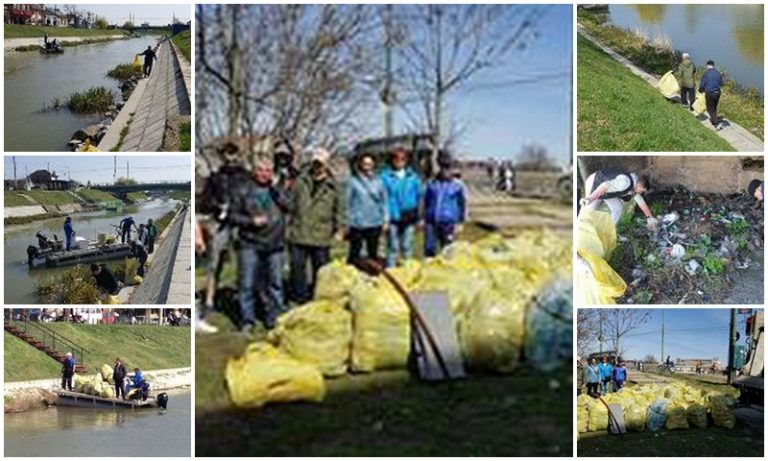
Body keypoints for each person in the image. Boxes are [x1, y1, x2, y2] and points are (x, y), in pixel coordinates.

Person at [229, 158, 290, 333]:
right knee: (246, 284)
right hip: (250, 243)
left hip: (275, 243)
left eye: (268, 170)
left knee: (276, 284)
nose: (265, 173)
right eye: (261, 170)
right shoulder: (242, 189)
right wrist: (251, 221)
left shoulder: (276, 190)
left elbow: (289, 206)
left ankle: (274, 318)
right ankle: (247, 320)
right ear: (254, 171)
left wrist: (279, 191)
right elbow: (232, 216)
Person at [199, 140, 252, 330]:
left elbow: (253, 199)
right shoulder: (215, 177)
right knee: (214, 265)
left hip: (241, 225)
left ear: (238, 155)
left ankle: (242, 301)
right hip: (220, 225)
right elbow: (203, 203)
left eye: (233, 152)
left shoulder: (245, 177)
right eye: (227, 153)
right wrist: (216, 206)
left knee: (243, 264)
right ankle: (209, 302)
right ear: (222, 155)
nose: (230, 157)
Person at [287, 147, 345, 304]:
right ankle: (300, 298)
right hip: (299, 233)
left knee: (321, 270)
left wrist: (340, 229)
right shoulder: (300, 181)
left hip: (321, 234)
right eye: (315, 163)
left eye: (320, 163)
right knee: (297, 269)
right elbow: (290, 204)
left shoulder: (334, 185)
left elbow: (339, 209)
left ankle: (319, 297)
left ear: (327, 164)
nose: (317, 166)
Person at [380, 147, 422, 267]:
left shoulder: (413, 177)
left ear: (406, 160)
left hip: (409, 216)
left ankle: (408, 270)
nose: (399, 161)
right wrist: (385, 218)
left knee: (407, 245)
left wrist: (420, 217)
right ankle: (391, 270)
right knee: (393, 247)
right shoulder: (385, 177)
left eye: (402, 159)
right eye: (396, 158)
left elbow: (419, 197)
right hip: (393, 217)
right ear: (392, 160)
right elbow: (383, 199)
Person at [346, 152, 388, 265]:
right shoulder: (353, 181)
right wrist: (348, 221)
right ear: (360, 165)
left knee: (373, 253)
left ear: (374, 165)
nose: (367, 167)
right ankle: (351, 275)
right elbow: (347, 202)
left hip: (375, 221)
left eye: (370, 164)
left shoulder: (379, 182)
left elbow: (384, 202)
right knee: (354, 252)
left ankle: (371, 275)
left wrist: (385, 219)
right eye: (365, 164)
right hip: (357, 223)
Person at [423, 154, 467, 257]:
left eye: (448, 168)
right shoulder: (431, 183)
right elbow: (426, 201)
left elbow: (462, 204)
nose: (445, 171)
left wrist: (460, 222)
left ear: (452, 169)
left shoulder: (458, 185)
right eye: (443, 167)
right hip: (431, 222)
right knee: (429, 248)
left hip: (448, 223)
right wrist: (423, 218)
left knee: (447, 249)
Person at [580, 170, 657, 227]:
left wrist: (649, 217)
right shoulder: (625, 183)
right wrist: (590, 198)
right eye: (642, 191)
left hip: (607, 191)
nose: (641, 193)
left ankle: (608, 231)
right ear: (639, 186)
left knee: (617, 207)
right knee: (589, 210)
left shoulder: (634, 186)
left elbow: (641, 202)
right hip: (596, 182)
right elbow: (604, 186)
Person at [698, 60, 724, 130]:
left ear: (708, 65)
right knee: (714, 107)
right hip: (717, 93)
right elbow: (721, 84)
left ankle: (717, 123)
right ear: (713, 65)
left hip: (710, 93)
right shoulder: (718, 73)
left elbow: (702, 85)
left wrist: (700, 91)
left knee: (709, 108)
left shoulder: (706, 74)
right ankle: (714, 119)